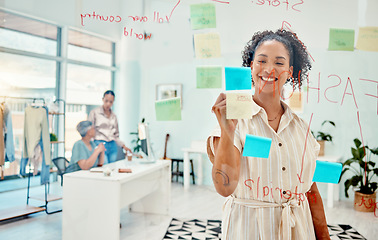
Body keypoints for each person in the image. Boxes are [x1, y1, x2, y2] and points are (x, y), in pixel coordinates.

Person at [207, 29, 330, 239]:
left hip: (298, 230)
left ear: (290, 71)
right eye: (262, 61)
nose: (269, 69)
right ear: (251, 66)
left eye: (279, 63)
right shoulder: (233, 122)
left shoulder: (301, 128)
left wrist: (324, 235)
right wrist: (228, 132)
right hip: (248, 229)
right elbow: (224, 187)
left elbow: (311, 190)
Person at [88, 90, 132, 164]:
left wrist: (124, 146)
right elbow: (90, 130)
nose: (108, 104)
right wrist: (92, 146)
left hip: (112, 145)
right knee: (104, 167)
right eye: (106, 101)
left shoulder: (114, 116)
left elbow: (116, 135)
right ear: (103, 99)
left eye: (111, 102)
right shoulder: (94, 113)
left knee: (112, 167)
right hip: (99, 143)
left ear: (113, 102)